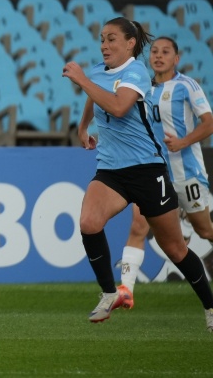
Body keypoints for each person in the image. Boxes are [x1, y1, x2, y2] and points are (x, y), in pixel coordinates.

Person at [62, 17, 213, 331]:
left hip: (147, 170)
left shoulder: (137, 72)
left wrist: (82, 81)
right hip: (111, 170)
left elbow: (118, 107)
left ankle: (210, 307)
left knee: (175, 248)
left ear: (130, 43)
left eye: (112, 39)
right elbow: (94, 96)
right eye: (102, 39)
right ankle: (109, 293)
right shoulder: (97, 73)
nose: (104, 45)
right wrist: (83, 125)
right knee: (89, 223)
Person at [117, 36, 213, 308]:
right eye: (155, 51)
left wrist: (183, 142)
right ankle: (126, 289)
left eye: (165, 52)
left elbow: (209, 123)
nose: (158, 56)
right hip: (153, 172)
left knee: (204, 231)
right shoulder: (143, 87)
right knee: (138, 225)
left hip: (187, 173)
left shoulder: (186, 86)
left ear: (176, 58)